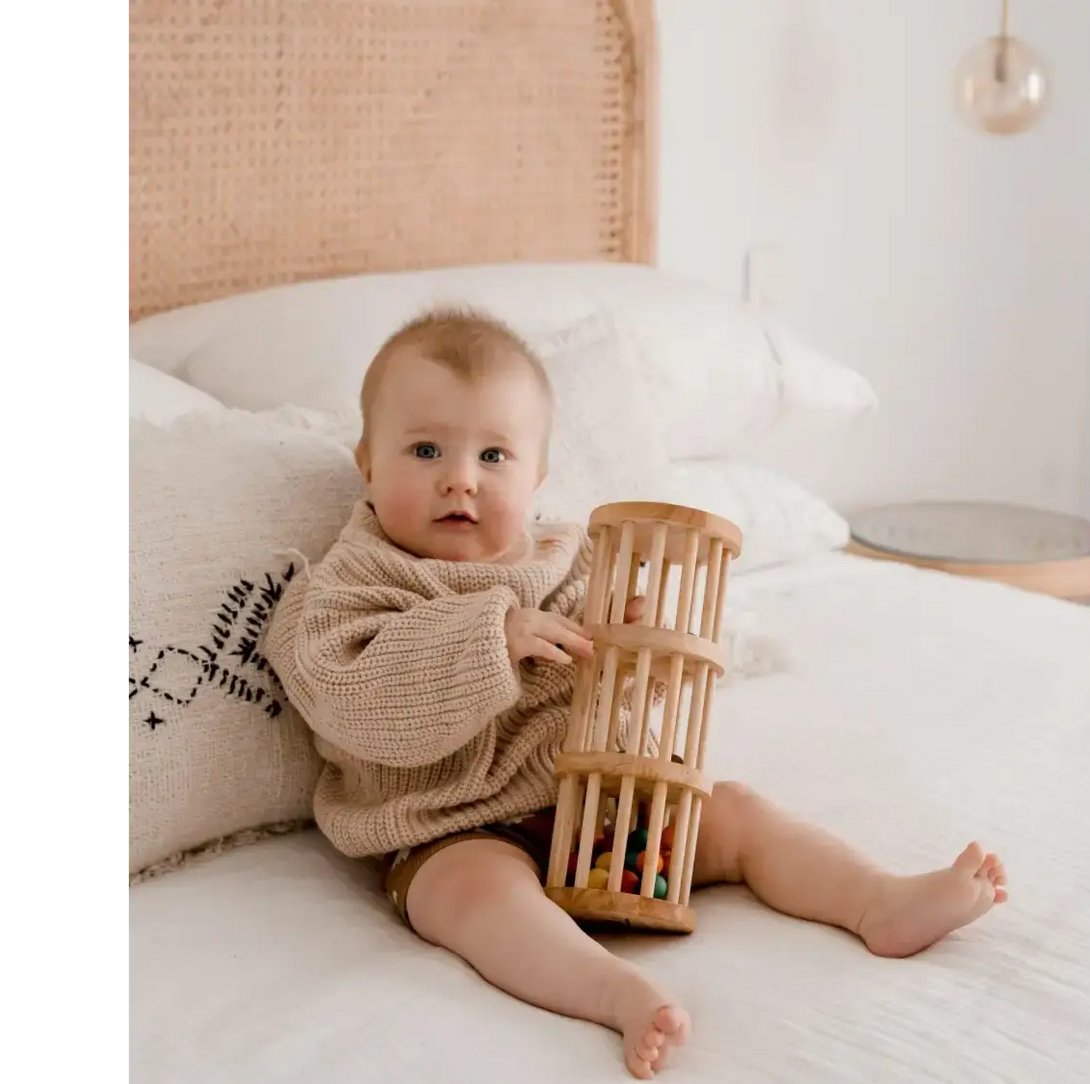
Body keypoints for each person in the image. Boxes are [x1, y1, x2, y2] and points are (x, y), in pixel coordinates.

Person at [261, 308, 1008, 1079]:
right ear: (367, 465)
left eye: (493, 454)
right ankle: (612, 991)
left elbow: (625, 704)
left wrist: (628, 652)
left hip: (598, 810)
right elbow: (349, 696)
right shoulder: (351, 584)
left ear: (537, 476)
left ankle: (876, 901)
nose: (461, 478)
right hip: (447, 825)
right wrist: (491, 637)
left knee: (735, 812)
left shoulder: (567, 558)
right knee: (468, 896)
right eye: (425, 450)